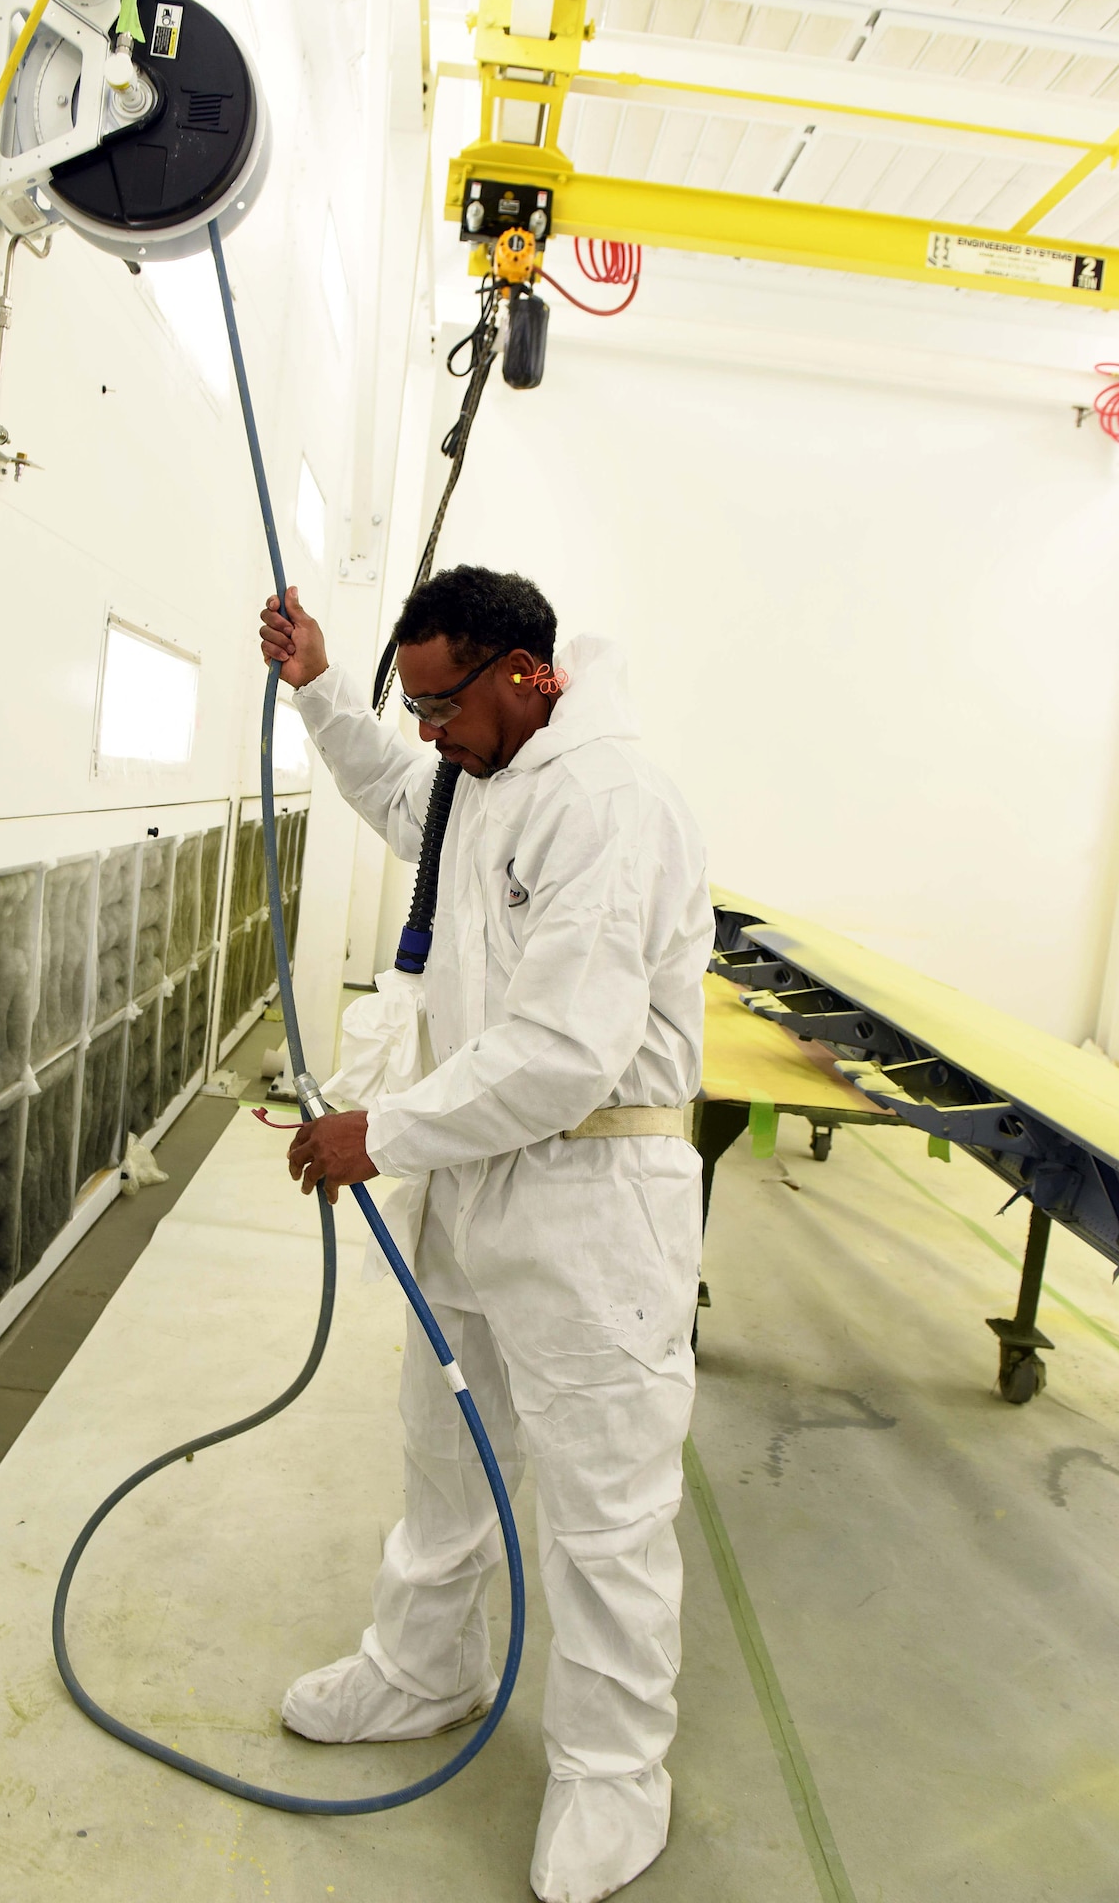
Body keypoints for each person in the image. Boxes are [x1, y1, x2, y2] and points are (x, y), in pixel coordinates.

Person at [258, 566, 712, 1903]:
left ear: (523, 672)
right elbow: (400, 797)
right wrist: (324, 692)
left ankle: (614, 1772)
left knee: (602, 1504)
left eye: (437, 704)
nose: (424, 734)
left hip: (591, 1198)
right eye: (411, 705)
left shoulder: (606, 803)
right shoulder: (476, 773)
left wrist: (380, 1131)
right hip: (477, 1182)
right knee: (443, 1448)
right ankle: (424, 1668)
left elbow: (568, 1049)